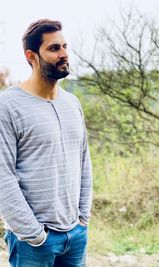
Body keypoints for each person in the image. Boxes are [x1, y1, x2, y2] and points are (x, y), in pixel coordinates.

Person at [0, 19, 93, 267]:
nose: (64, 54)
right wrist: (35, 235)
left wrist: (83, 219)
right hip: (33, 242)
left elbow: (84, 163)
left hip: (75, 235)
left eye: (65, 46)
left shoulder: (72, 103)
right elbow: (3, 176)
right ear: (32, 56)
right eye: (54, 49)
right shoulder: (7, 106)